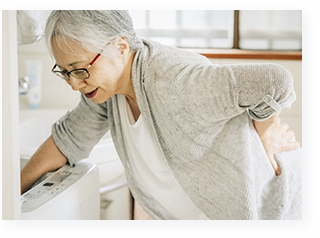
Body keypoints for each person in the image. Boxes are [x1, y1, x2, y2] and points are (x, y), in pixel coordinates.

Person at [20, 10, 302, 220]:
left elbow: (275, 81)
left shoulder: (176, 81)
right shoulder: (104, 91)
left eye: (80, 69)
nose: (73, 83)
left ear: (119, 47)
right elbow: (67, 140)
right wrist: (10, 197)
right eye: (64, 72)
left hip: (269, 209)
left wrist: (262, 135)